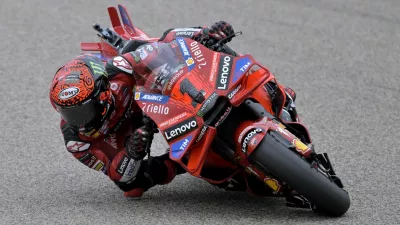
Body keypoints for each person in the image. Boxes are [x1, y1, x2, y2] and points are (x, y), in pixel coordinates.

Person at [49, 21, 298, 198]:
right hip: (131, 135)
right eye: (68, 113)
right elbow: (120, 177)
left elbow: (162, 44)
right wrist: (132, 152)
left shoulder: (115, 70)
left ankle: (269, 91)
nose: (78, 121)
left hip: (154, 101)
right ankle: (185, 162)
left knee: (192, 44)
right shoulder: (77, 141)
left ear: (102, 94)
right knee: (134, 186)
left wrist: (205, 35)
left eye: (82, 111)